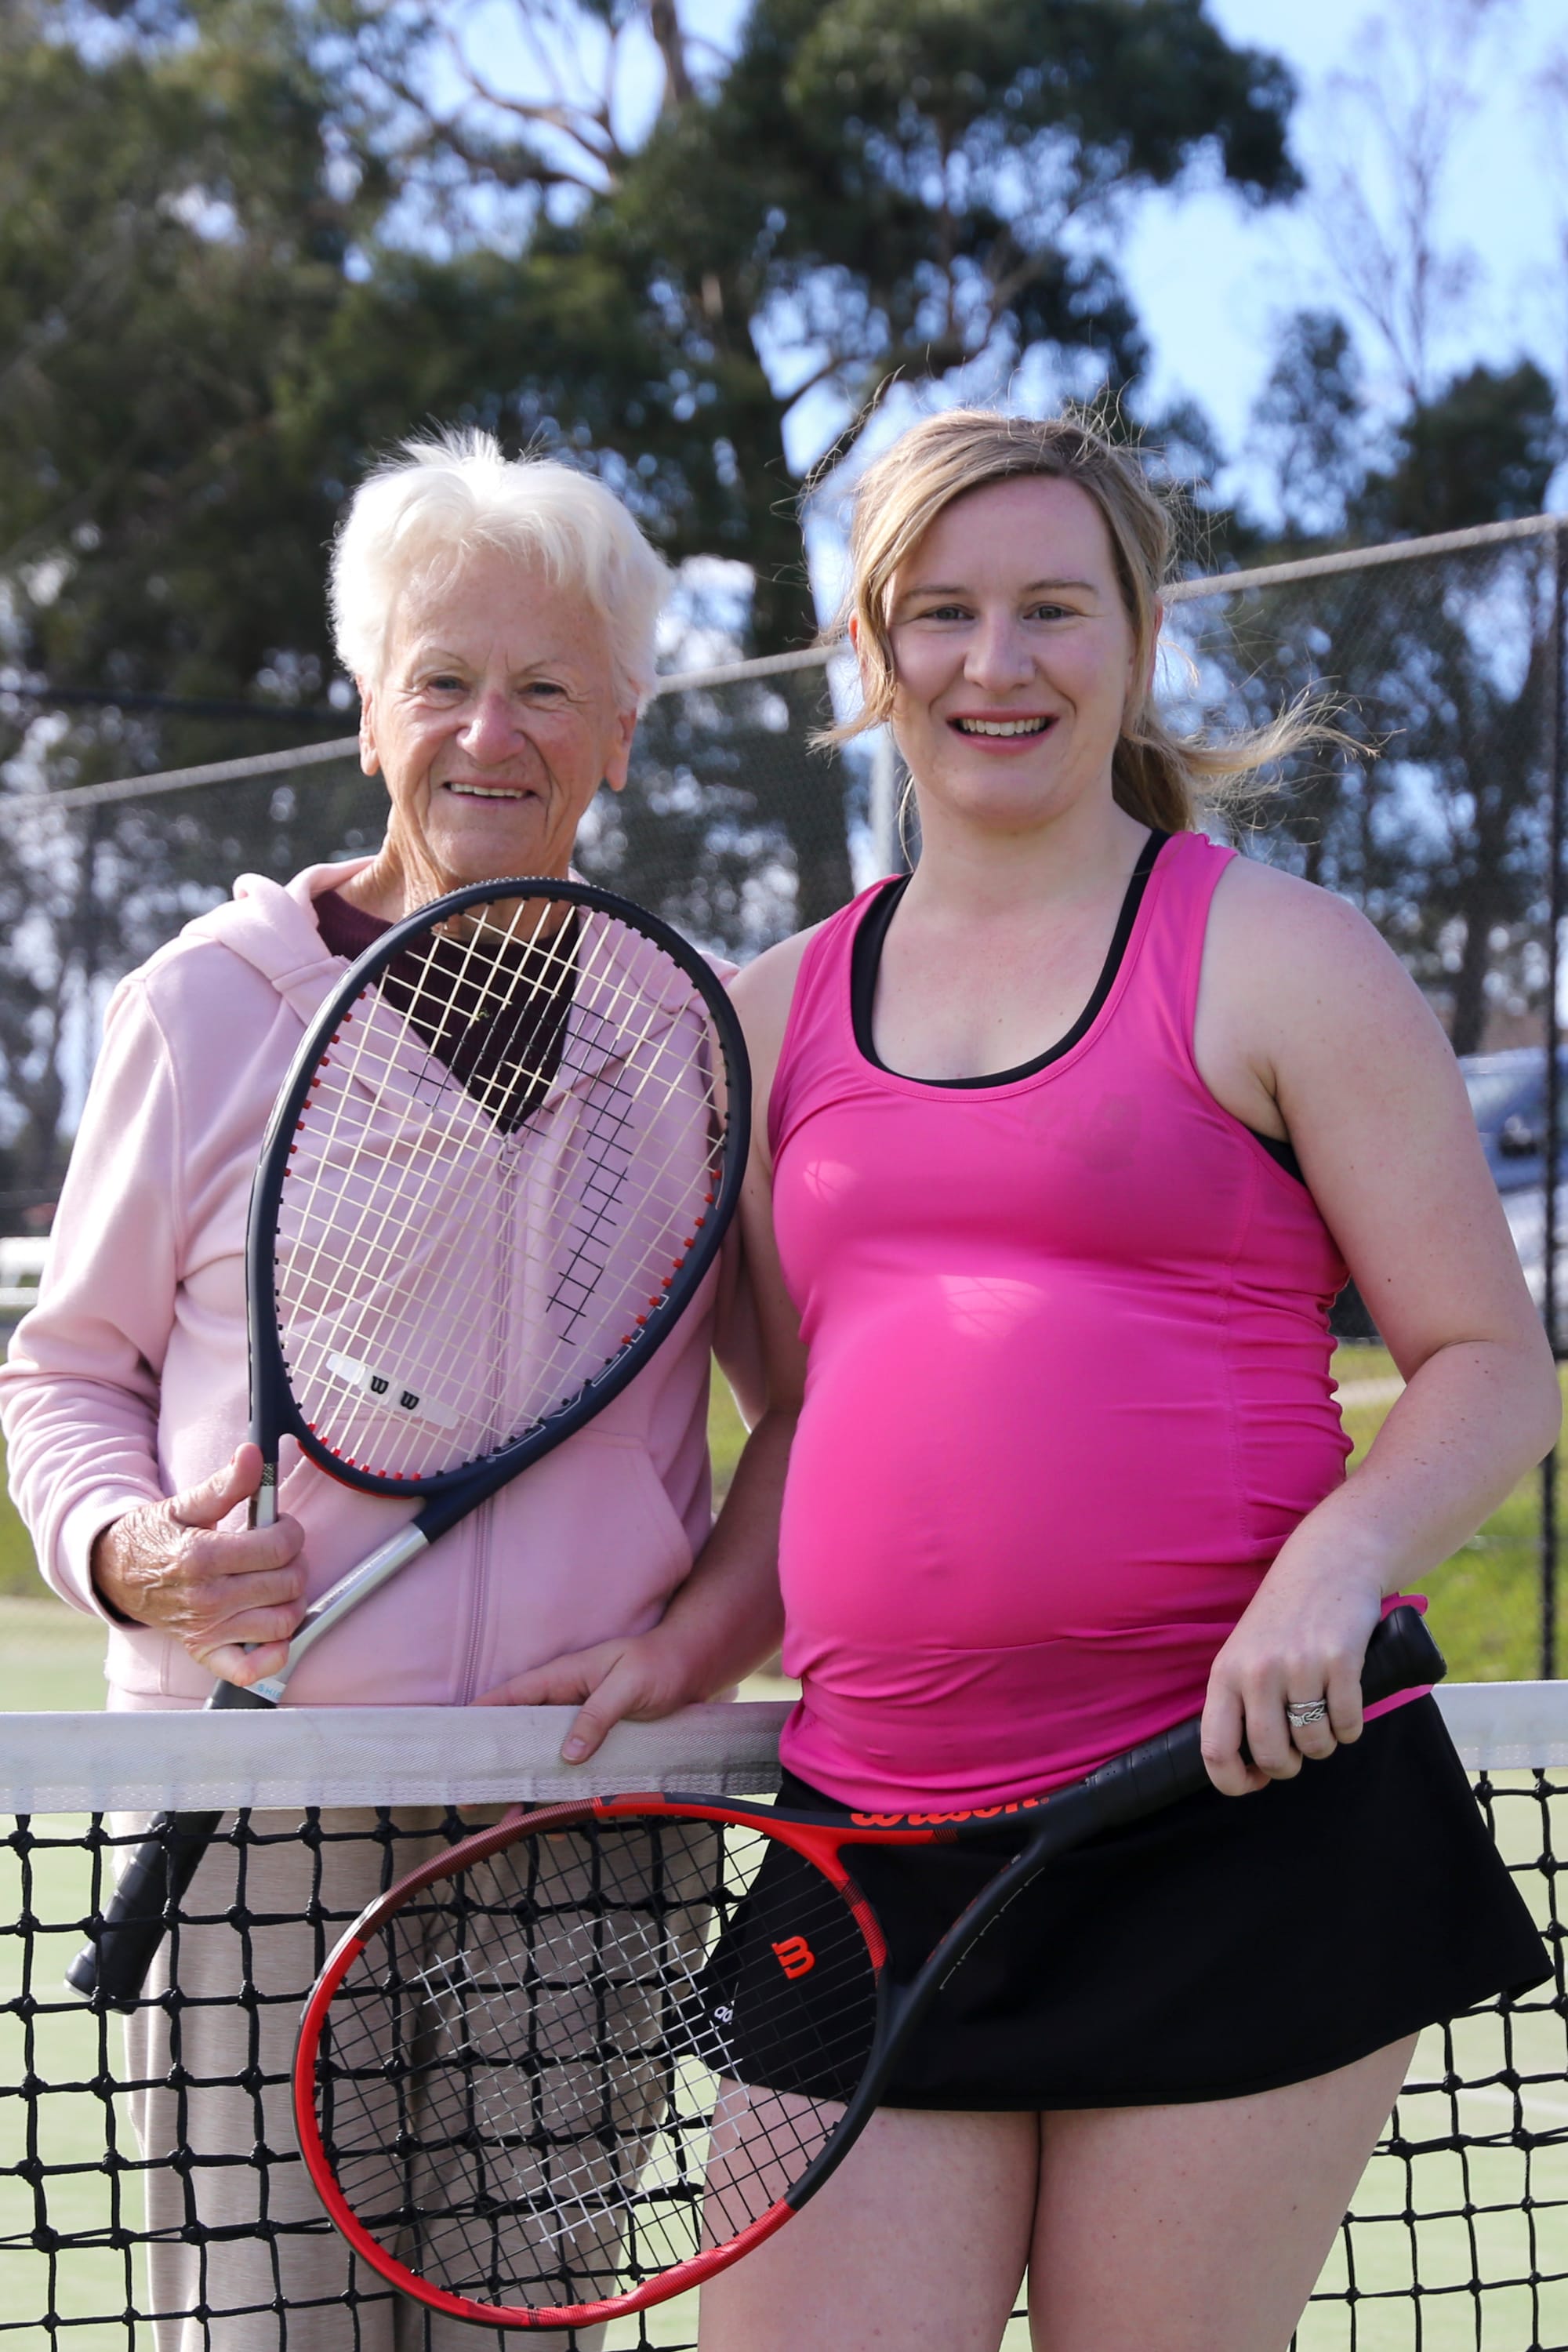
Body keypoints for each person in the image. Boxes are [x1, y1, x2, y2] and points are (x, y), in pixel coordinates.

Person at [517, 408, 1558, 2352]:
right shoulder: (765, 1016)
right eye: (945, 616)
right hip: (872, 1848)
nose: (997, 665)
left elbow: (1490, 1365)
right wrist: (689, 1642)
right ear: (872, 648)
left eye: (1054, 611)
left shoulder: (1285, 958)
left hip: (1241, 1823)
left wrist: (1344, 1559)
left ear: (1138, 638)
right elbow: (808, 1422)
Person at [0, 428, 774, 2350]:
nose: (487, 731)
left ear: (621, 729)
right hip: (258, 1804)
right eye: (441, 678)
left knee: (532, 2332)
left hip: (579, 1820)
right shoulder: (199, 1005)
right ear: (367, 715)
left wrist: (696, 1638)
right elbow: (65, 1370)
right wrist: (132, 1558)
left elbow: (818, 1401)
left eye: (545, 686)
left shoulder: (696, 1039)